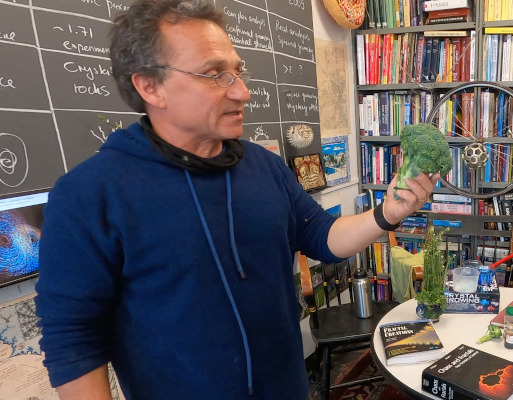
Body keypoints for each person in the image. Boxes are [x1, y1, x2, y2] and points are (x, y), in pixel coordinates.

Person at [33, 1, 438, 399]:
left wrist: (388, 212)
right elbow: (73, 339)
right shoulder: (89, 194)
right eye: (215, 75)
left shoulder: (265, 166)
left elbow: (322, 235)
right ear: (150, 86)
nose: (242, 92)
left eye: (238, 72)